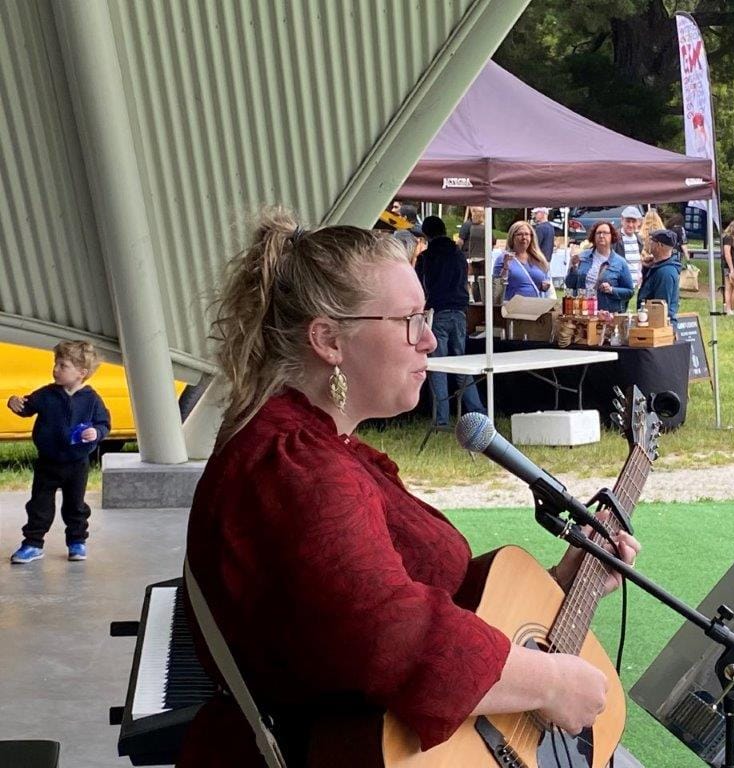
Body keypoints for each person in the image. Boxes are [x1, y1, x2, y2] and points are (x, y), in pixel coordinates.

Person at [180, 208, 640, 766]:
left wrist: (563, 581)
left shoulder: (315, 446)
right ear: (327, 339)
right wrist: (547, 682)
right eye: (408, 321)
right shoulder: (298, 468)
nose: (428, 340)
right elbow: (388, 630)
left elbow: (401, 598)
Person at [8, 340, 110, 564]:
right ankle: (33, 544)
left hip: (77, 463)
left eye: (63, 366)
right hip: (48, 463)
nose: (55, 369)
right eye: (56, 364)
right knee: (39, 505)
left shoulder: (92, 399)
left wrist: (97, 432)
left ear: (81, 373)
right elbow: (26, 407)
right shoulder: (46, 394)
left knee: (75, 505)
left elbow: (104, 424)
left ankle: (77, 541)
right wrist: (14, 402)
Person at [415, 216, 485, 426]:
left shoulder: (427, 257)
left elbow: (420, 286)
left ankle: (441, 419)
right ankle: (478, 412)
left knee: (438, 366)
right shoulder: (458, 254)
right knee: (462, 364)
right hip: (461, 312)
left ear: (426, 234)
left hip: (438, 311)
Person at [564, 220, 635, 312]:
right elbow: (570, 284)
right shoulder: (582, 257)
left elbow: (629, 292)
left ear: (611, 236)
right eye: (598, 233)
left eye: (605, 233)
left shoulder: (620, 262)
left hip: (607, 314)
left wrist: (611, 290)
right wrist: (573, 267)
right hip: (583, 313)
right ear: (593, 236)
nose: (601, 236)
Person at [493, 220, 551, 300]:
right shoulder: (503, 258)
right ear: (512, 237)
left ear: (531, 237)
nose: (524, 238)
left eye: (527, 234)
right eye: (519, 234)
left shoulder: (538, 258)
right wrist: (505, 268)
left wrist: (545, 286)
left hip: (535, 308)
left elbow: (545, 281)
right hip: (513, 308)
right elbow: (497, 289)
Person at [636, 229, 682, 321]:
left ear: (659, 245)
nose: (649, 243)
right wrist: (646, 268)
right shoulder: (657, 267)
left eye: (652, 241)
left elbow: (659, 308)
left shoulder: (665, 272)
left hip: (658, 327)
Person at [614, 206, 646, 290]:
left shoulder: (639, 239)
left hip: (634, 286)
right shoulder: (615, 238)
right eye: (628, 221)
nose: (631, 225)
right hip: (619, 285)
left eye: (634, 221)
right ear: (622, 220)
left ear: (638, 222)